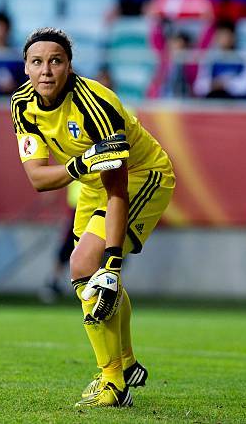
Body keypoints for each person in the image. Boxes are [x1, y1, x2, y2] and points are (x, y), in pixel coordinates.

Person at [10, 27, 175, 407]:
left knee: (86, 264)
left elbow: (118, 189)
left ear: (69, 66)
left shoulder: (96, 106)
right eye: (37, 62)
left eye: (56, 61)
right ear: (26, 68)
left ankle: (113, 383)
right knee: (86, 277)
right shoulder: (22, 104)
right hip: (90, 183)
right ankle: (127, 362)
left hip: (142, 175)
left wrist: (113, 263)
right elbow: (37, 178)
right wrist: (81, 162)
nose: (46, 71)